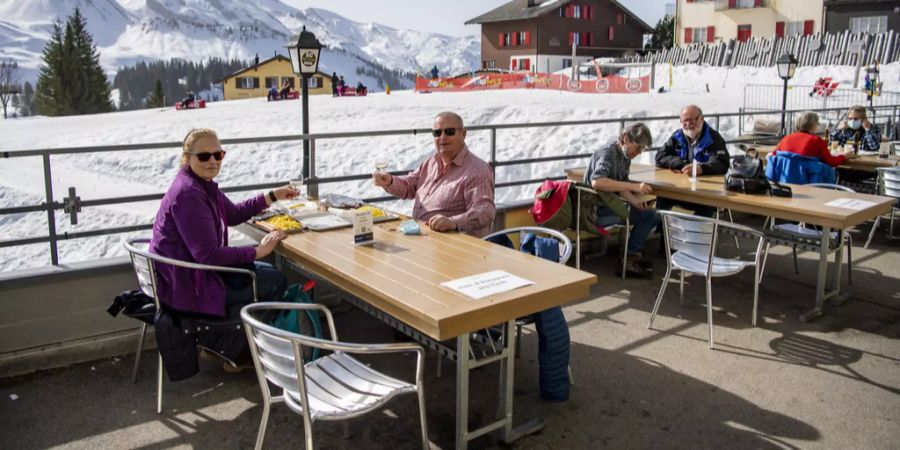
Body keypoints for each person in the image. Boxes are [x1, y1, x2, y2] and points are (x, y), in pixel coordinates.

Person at [149, 128, 299, 364]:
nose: (212, 161)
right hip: (188, 285)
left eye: (217, 155)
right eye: (203, 156)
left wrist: (272, 195)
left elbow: (232, 214)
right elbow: (207, 255)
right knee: (273, 281)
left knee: (265, 274)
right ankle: (232, 349)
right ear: (187, 158)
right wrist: (257, 251)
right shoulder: (189, 194)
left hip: (185, 276)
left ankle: (226, 344)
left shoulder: (200, 185)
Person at [373, 112, 495, 237]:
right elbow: (409, 187)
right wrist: (389, 181)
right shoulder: (431, 163)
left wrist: (453, 222)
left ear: (463, 134)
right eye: (437, 133)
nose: (442, 137)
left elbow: (485, 211)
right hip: (424, 239)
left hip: (456, 247)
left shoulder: (477, 170)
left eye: (449, 131)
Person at [584, 123, 659, 276]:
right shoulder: (608, 153)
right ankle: (629, 259)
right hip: (595, 211)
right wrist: (635, 187)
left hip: (609, 206)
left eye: (642, 150)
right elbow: (597, 181)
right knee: (649, 217)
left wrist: (637, 202)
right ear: (626, 139)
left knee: (650, 214)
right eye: (638, 147)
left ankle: (630, 256)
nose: (638, 153)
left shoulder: (625, 157)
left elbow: (620, 188)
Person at [655, 104, 729, 218]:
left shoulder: (713, 138)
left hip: (704, 193)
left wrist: (701, 168)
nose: (688, 125)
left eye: (692, 120)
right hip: (680, 189)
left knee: (706, 209)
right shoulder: (677, 136)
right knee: (663, 198)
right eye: (684, 121)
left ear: (702, 119)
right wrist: (682, 164)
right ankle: (665, 234)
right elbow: (660, 156)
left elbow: (722, 163)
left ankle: (694, 234)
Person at [774, 111, 856, 167]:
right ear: (814, 125)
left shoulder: (786, 138)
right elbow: (831, 162)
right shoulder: (816, 141)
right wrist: (844, 156)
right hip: (810, 182)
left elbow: (773, 155)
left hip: (784, 180)